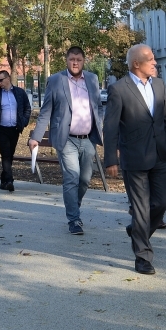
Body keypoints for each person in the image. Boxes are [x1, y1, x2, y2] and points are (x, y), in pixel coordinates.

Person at [103, 44, 166, 275]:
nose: (155, 62)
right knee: (141, 208)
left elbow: (165, 119)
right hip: (134, 157)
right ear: (136, 64)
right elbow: (110, 126)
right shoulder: (119, 89)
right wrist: (111, 158)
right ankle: (143, 257)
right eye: (150, 59)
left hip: (160, 154)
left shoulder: (160, 86)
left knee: (162, 202)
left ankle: (137, 230)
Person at [29, 46, 104, 235]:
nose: (75, 63)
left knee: (85, 180)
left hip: (88, 139)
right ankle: (74, 219)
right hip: (66, 139)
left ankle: (74, 207)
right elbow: (46, 111)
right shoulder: (56, 80)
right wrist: (36, 137)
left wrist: (103, 129)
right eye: (72, 59)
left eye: (79, 59)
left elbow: (98, 108)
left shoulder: (93, 79)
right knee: (72, 177)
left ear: (84, 60)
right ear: (67, 60)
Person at [0, 70, 32, 192]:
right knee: (5, 155)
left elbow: (27, 107)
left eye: (1, 80)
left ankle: (3, 180)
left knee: (10, 155)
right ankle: (10, 181)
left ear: (8, 78)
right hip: (1, 129)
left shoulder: (19, 93)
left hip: (15, 129)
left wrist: (24, 121)